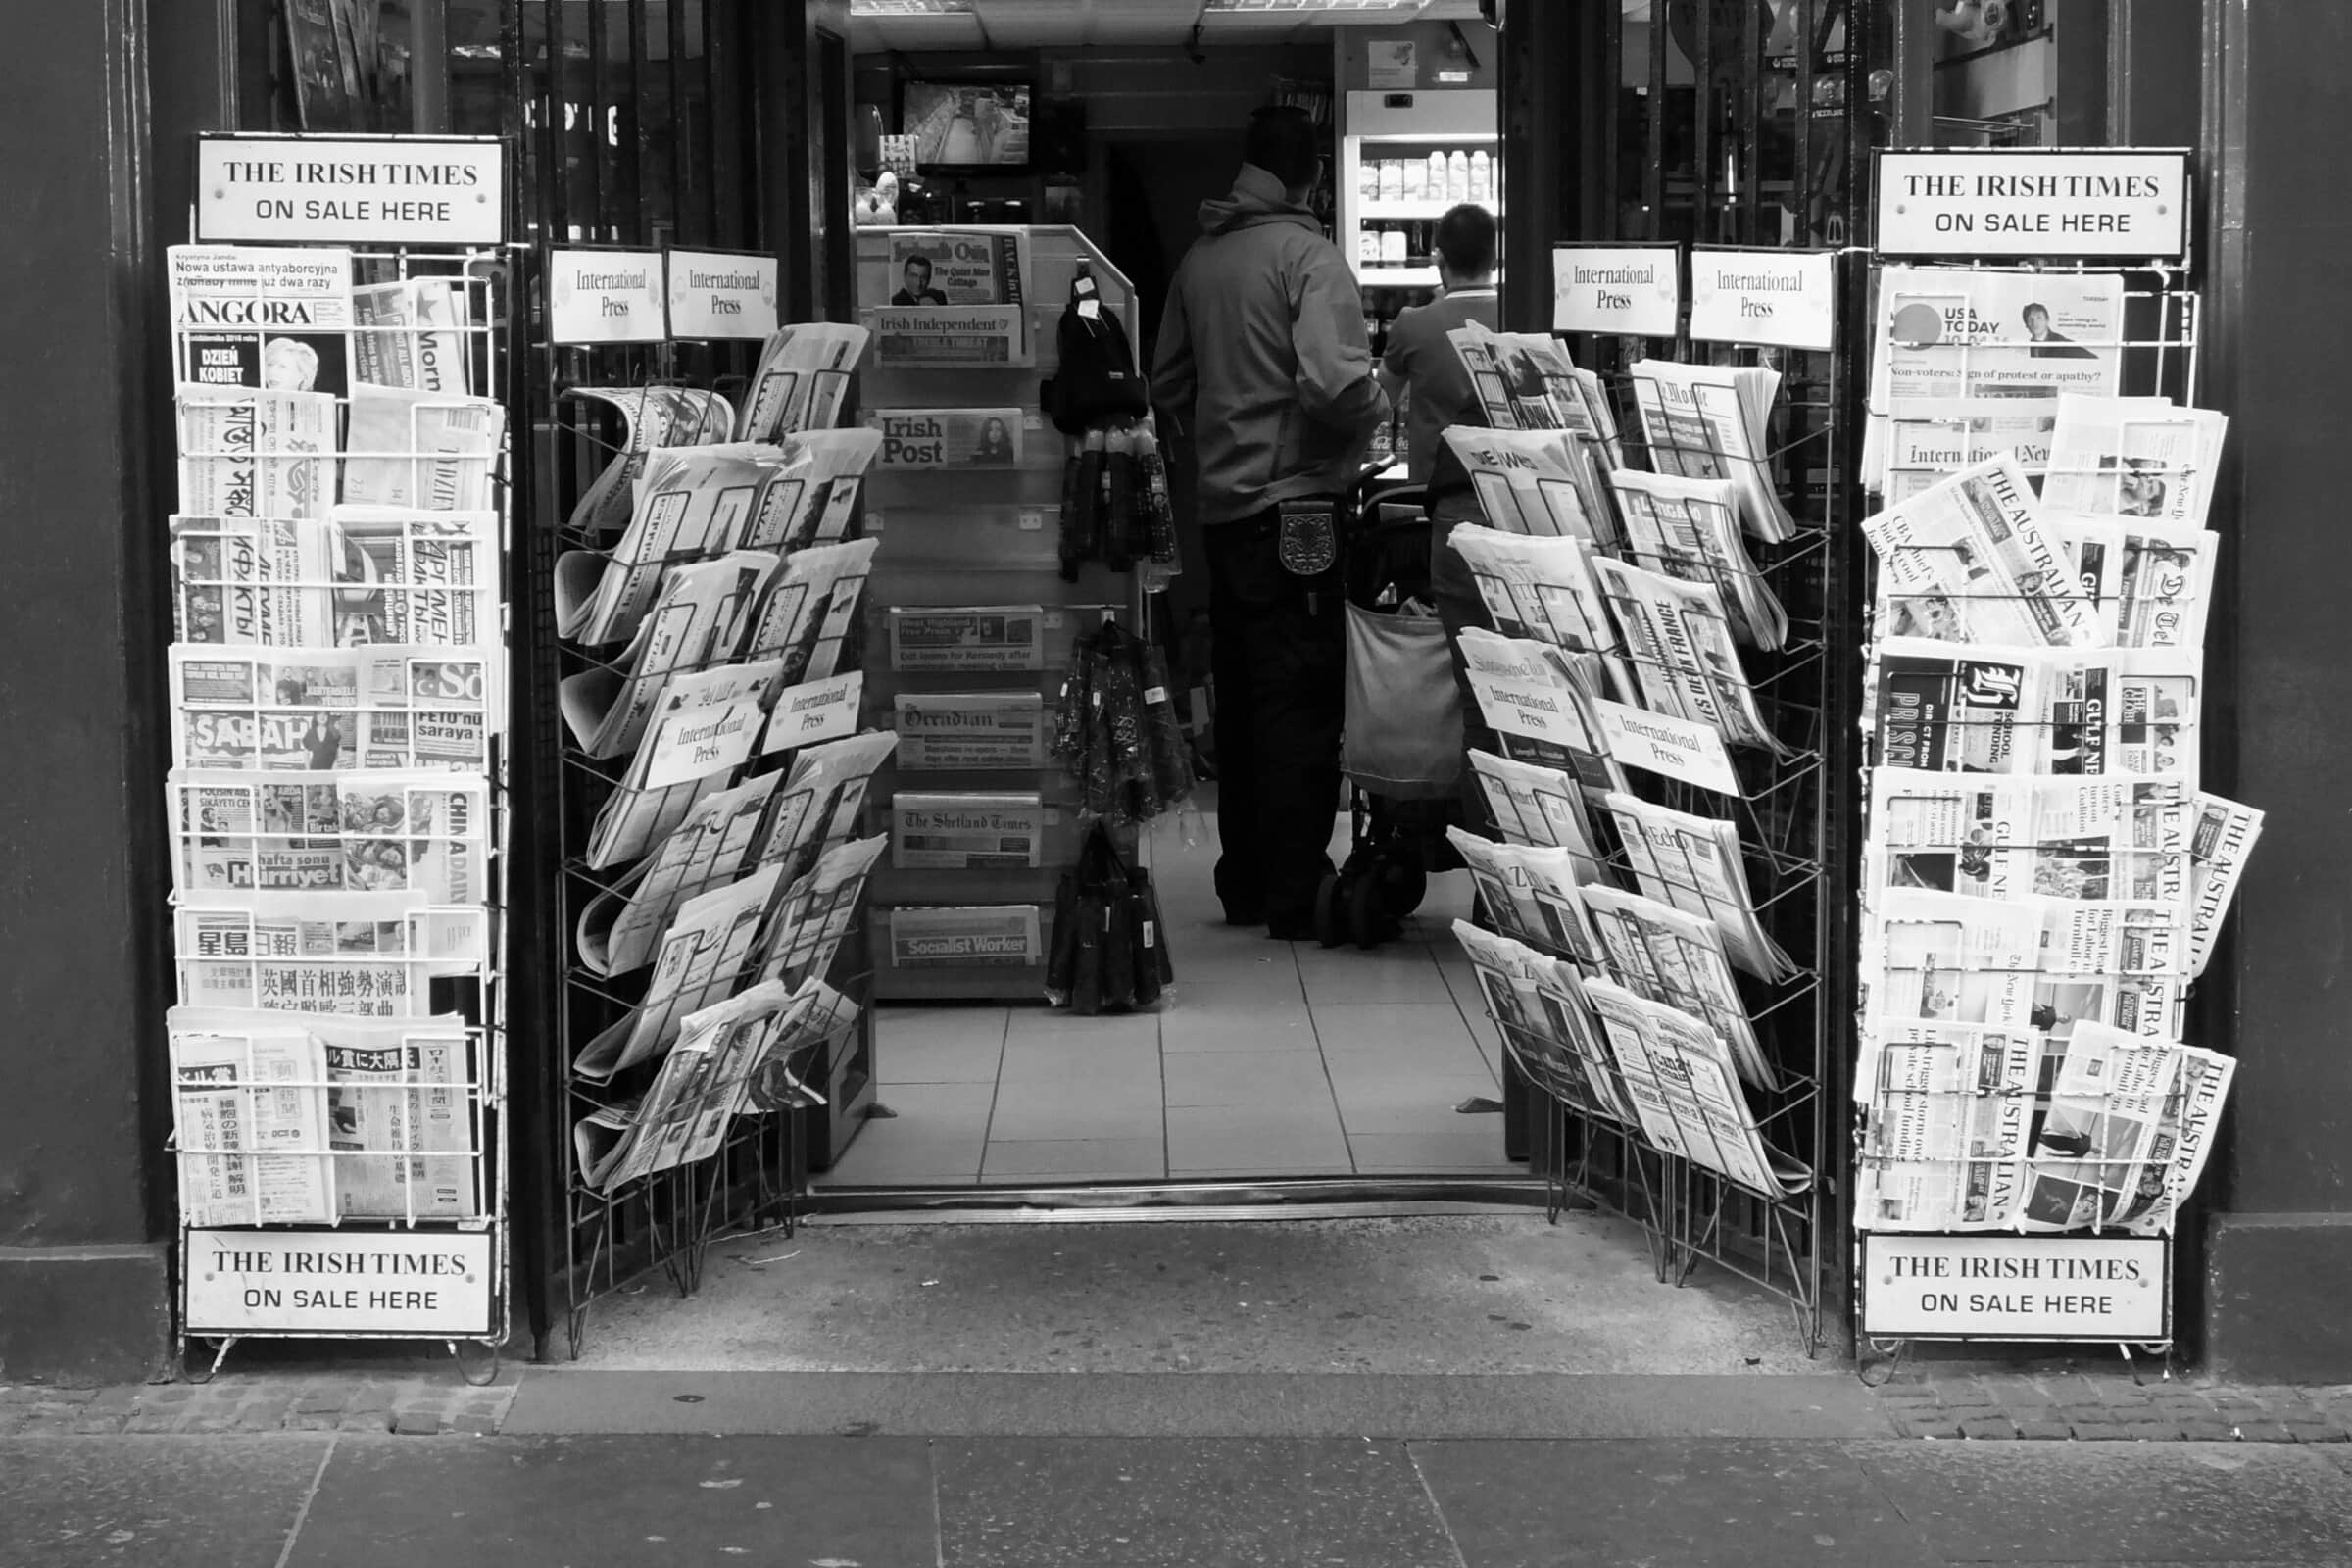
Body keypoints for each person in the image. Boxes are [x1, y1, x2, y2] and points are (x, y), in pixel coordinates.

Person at [1152, 105, 1389, 937]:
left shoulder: (1201, 258)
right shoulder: (1308, 257)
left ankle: (1242, 879)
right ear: (1313, 173)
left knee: (1247, 697)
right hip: (1298, 507)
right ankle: (1294, 888)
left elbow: (1168, 382)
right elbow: (1333, 383)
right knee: (1301, 698)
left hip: (1223, 513)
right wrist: (1378, 400)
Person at [1376, 205, 1500, 486]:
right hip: (1506, 487)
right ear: (1494, 259)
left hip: (1433, 491)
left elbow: (1383, 399)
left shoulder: (1412, 324)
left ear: (1440, 258)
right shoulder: (1521, 317)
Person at [2021, 302, 2094, 360]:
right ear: (2026, 325)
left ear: (2047, 320)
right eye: (2030, 319)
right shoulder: (2023, 348)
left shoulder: (2063, 344)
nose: (2035, 323)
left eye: (2039, 317)